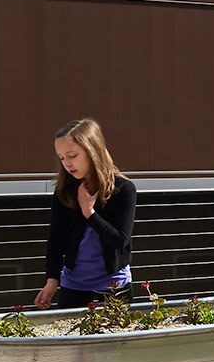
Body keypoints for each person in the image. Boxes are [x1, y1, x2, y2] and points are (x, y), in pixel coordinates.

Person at [36, 119, 138, 309]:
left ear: (92, 151)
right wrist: (52, 279)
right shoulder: (64, 191)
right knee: (71, 339)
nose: (67, 163)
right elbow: (56, 240)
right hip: (73, 286)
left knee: (117, 338)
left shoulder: (124, 189)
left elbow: (120, 240)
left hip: (115, 286)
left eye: (72, 155)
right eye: (61, 158)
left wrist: (89, 213)